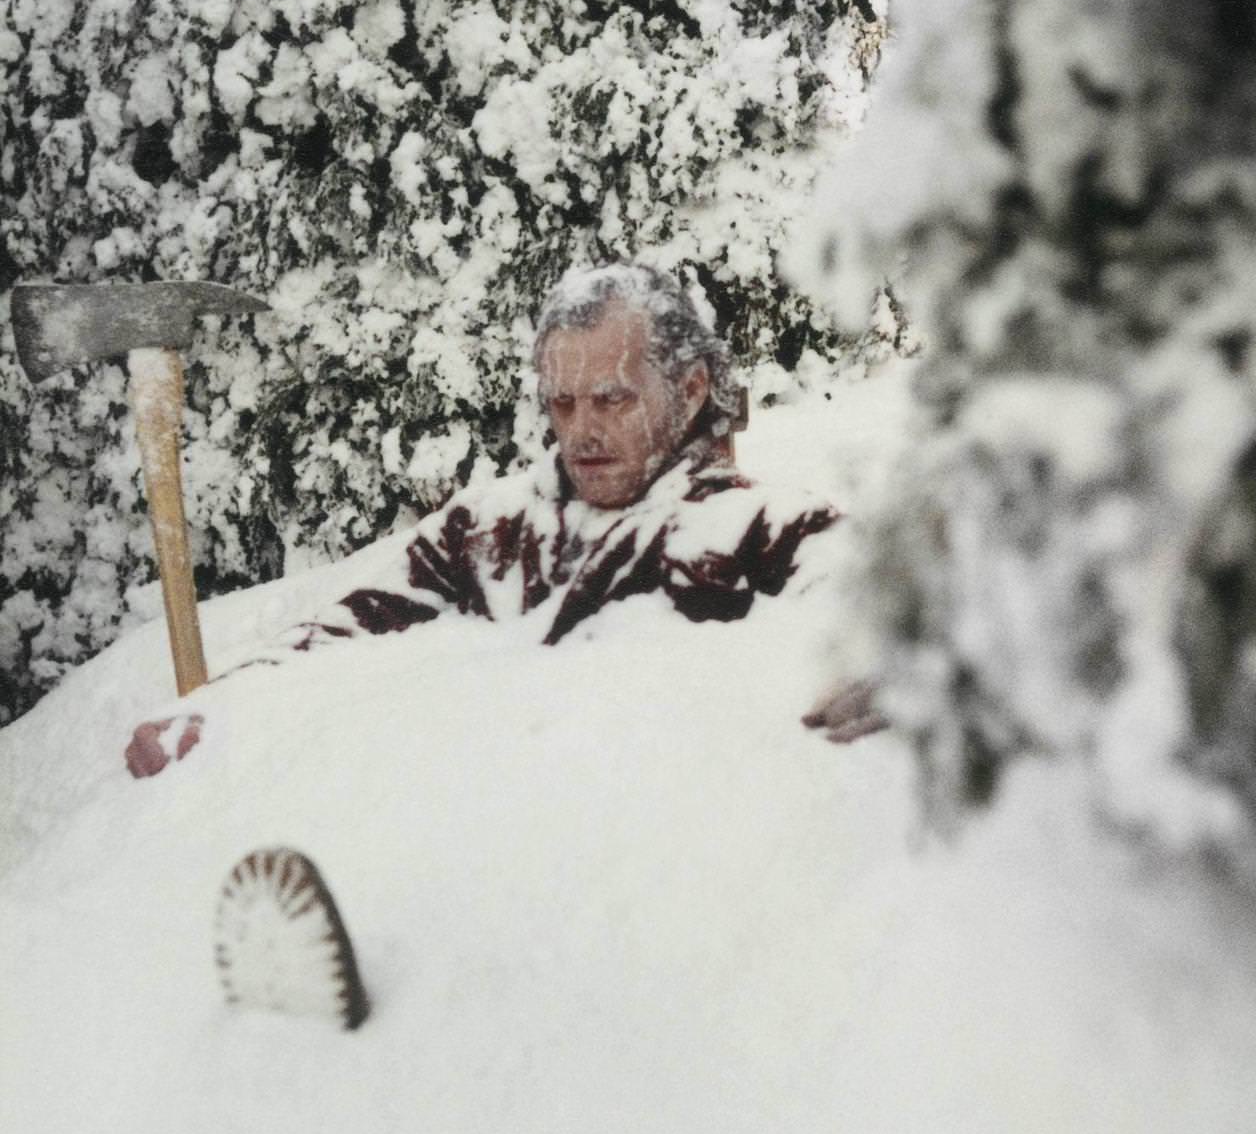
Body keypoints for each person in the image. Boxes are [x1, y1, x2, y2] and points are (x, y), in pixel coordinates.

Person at [126, 261, 876, 778]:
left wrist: (891, 668)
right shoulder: (490, 528)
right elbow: (345, 630)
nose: (580, 431)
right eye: (561, 403)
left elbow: (880, 602)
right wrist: (224, 709)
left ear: (688, 390)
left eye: (612, 400)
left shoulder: (764, 527)